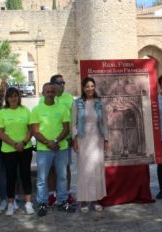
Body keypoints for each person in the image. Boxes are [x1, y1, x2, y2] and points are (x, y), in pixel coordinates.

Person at [31, 83, 72, 217]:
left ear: (55, 93)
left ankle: (62, 201)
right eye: (47, 91)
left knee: (62, 177)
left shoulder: (62, 108)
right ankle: (42, 203)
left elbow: (66, 128)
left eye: (52, 91)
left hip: (61, 148)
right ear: (43, 93)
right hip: (44, 149)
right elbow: (35, 131)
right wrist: (47, 142)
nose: (49, 94)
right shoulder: (37, 110)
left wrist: (55, 141)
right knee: (42, 178)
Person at [72, 77, 110, 213]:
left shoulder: (100, 102)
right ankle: (83, 201)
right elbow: (73, 124)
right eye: (87, 86)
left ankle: (97, 200)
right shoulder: (77, 103)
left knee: (97, 169)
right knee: (83, 170)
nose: (90, 88)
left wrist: (106, 140)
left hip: (97, 139)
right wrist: (74, 140)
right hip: (83, 139)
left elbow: (104, 122)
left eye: (92, 86)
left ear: (95, 87)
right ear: (83, 88)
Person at [0, 87, 35, 216]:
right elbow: (0, 132)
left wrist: (23, 143)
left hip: (25, 148)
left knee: (25, 175)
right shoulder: (2, 112)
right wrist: (14, 144)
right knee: (10, 177)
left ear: (19, 97)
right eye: (10, 96)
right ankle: (11, 204)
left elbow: (31, 129)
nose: (13, 98)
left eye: (16, 96)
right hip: (8, 150)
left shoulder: (25, 110)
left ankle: (28, 203)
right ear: (7, 98)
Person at [45, 74, 76, 206]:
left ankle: (66, 194)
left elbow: (74, 120)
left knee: (65, 168)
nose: (63, 85)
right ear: (52, 84)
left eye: (64, 82)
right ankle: (52, 194)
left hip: (65, 140)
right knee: (51, 169)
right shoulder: (44, 99)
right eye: (59, 82)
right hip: (48, 142)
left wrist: (73, 138)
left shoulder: (69, 99)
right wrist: (48, 141)